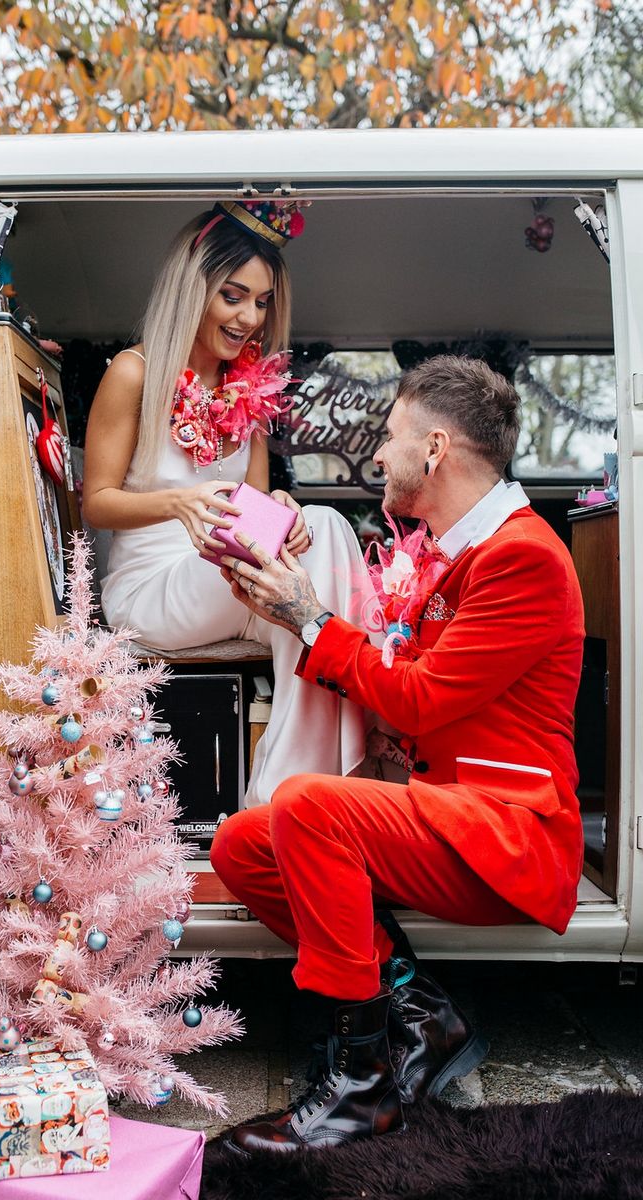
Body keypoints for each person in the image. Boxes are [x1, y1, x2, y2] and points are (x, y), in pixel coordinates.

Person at [211, 354, 585, 1154]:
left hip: (507, 835)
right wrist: (288, 614)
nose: (378, 454)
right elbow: (407, 681)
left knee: (309, 807)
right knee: (244, 843)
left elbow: (420, 697)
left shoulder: (523, 556)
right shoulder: (456, 552)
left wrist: (311, 617)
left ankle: (361, 1084)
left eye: (390, 436)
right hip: (447, 815)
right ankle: (420, 1011)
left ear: (437, 448)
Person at [83, 201, 375, 805]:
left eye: (262, 302)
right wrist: (178, 503)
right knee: (320, 548)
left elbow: (258, 502)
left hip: (233, 580)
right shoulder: (133, 374)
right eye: (233, 296)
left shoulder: (252, 390)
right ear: (195, 290)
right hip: (153, 591)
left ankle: (306, 792)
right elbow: (98, 504)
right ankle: (298, 792)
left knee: (317, 532)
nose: (249, 318)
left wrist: (285, 511)